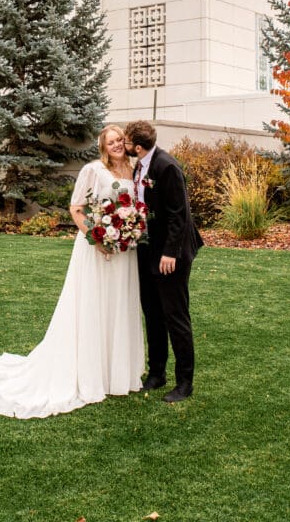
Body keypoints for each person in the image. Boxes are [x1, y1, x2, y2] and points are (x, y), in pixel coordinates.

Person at [0, 125, 144, 418]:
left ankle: (117, 374)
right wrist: (96, 237)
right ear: (102, 146)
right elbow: (76, 208)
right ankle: (90, 373)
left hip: (124, 251)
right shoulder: (93, 170)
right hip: (96, 249)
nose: (117, 145)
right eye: (110, 142)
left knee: (119, 305)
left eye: (119, 140)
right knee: (94, 305)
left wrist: (129, 230)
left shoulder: (134, 170)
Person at [124, 120, 203, 403]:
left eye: (126, 142)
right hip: (147, 250)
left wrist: (169, 253)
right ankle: (157, 374)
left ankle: (185, 382)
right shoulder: (140, 166)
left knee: (175, 316)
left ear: (137, 145)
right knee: (153, 314)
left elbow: (178, 214)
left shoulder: (166, 166)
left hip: (172, 254)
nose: (123, 146)